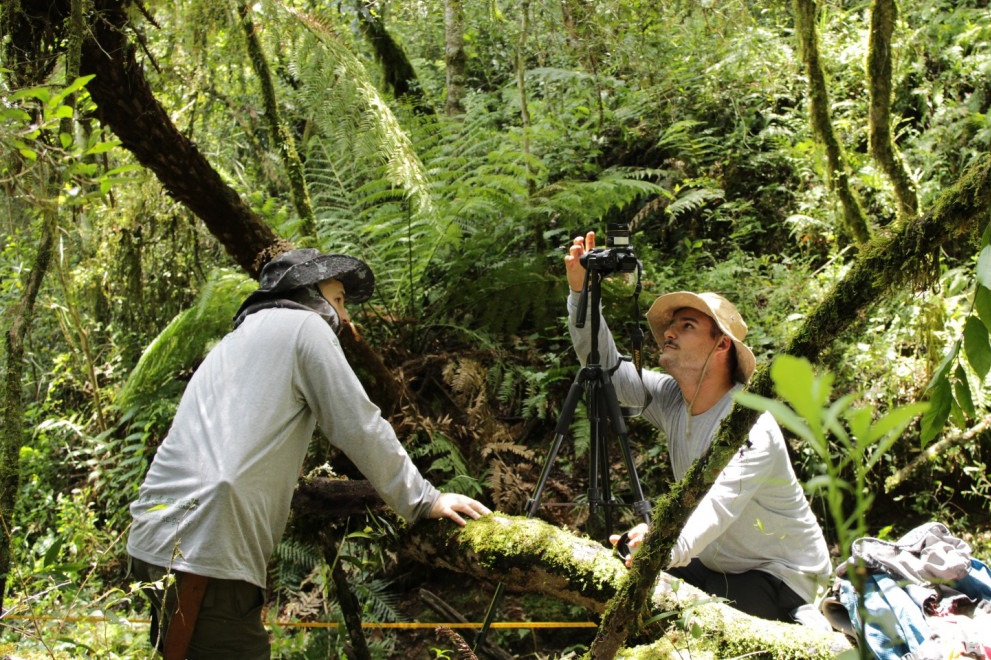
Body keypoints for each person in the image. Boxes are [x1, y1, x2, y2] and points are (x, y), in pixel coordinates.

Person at [126, 248, 490, 659]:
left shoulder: (236, 341)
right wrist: (425, 499)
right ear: (309, 294)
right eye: (338, 300)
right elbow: (357, 423)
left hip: (153, 538)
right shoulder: (304, 327)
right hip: (206, 546)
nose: (346, 317)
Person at [564, 231, 831, 623]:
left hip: (780, 577)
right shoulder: (673, 398)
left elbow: (719, 504)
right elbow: (604, 366)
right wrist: (580, 292)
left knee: (672, 610)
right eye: (670, 326)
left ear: (721, 345)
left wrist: (659, 546)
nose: (668, 332)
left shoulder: (750, 422)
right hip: (713, 566)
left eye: (686, 325)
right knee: (622, 577)